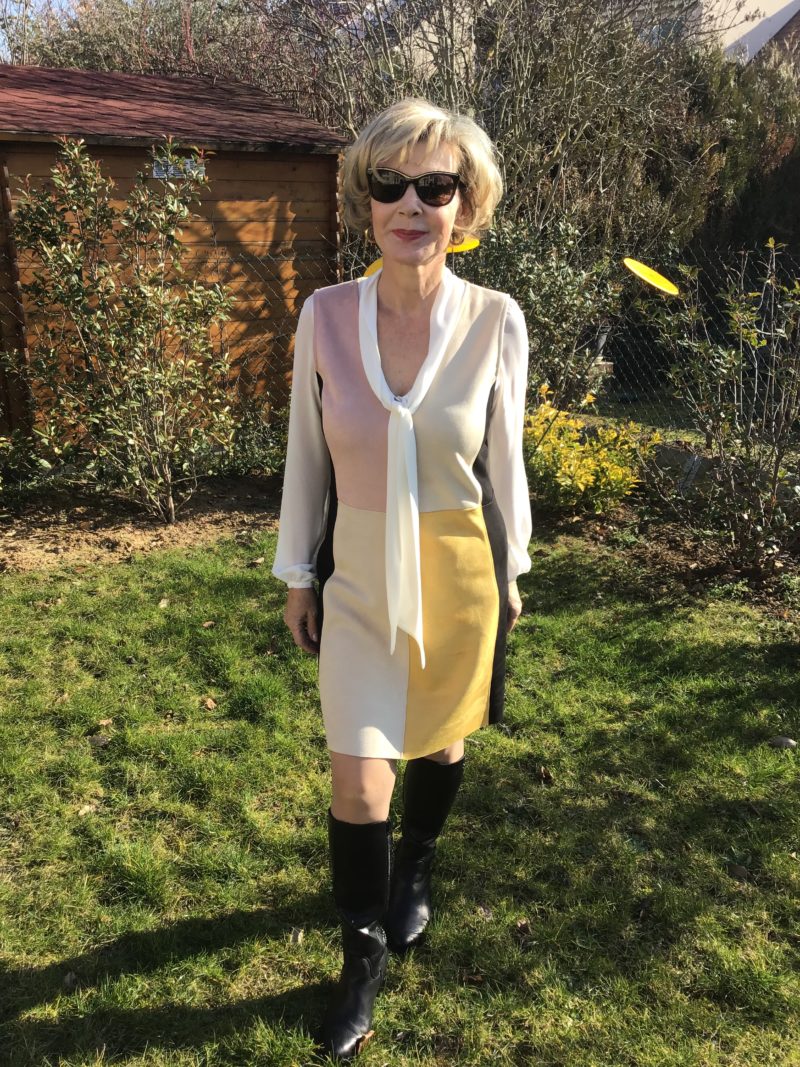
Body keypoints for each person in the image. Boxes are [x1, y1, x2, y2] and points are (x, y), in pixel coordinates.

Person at [271, 97, 532, 1061]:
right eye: (391, 184)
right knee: (356, 779)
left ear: (467, 204)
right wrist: (297, 573)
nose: (411, 204)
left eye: (436, 185)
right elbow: (305, 456)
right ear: (367, 199)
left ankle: (416, 863)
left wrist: (513, 570)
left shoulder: (496, 320)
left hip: (461, 566)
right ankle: (363, 957)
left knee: (443, 739)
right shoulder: (325, 316)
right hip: (359, 577)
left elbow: (505, 464)